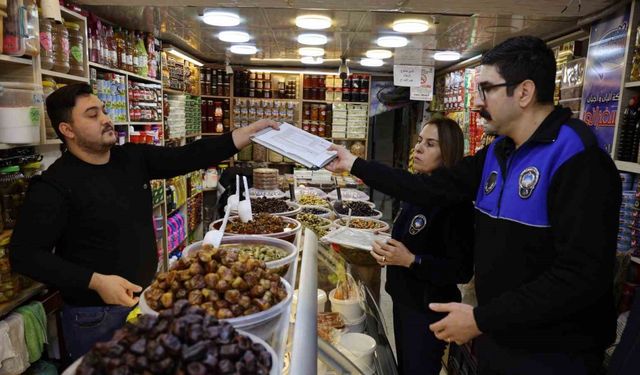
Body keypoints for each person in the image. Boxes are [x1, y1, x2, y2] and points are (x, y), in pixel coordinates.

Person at [327, 35, 621, 375]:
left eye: (486, 89)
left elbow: (581, 276)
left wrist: (482, 318)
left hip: (554, 354)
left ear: (524, 92)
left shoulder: (578, 158)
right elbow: (430, 188)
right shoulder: (497, 152)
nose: (477, 101)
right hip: (500, 338)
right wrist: (355, 164)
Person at [9, 83, 279, 360]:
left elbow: (188, 156)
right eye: (92, 115)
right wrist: (97, 281)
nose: (106, 119)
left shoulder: (129, 158)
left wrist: (247, 133)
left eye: (103, 110)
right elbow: (24, 255)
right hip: (93, 316)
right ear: (67, 130)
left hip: (145, 300)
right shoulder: (54, 185)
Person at [372, 118, 473, 375]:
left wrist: (411, 260)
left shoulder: (455, 205)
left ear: (448, 152)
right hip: (403, 299)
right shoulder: (417, 191)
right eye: (419, 141)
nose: (418, 149)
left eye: (430, 144)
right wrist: (389, 250)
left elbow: (460, 270)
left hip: (427, 311)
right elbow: (410, 241)